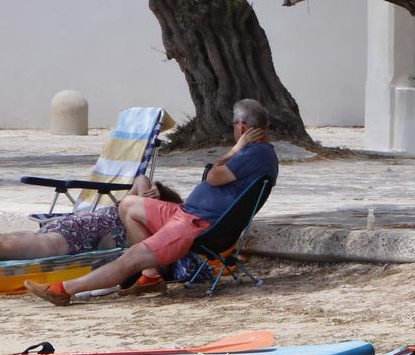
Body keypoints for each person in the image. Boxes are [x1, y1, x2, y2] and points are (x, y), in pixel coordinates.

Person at [24, 99, 279, 305]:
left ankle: (64, 290)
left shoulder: (253, 154)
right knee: (129, 205)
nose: (234, 130)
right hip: (186, 213)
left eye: (235, 125)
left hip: (195, 225)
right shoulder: (259, 154)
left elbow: (212, 176)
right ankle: (151, 276)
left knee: (133, 255)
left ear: (242, 128)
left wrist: (234, 149)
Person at [0, 175, 182, 274]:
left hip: (64, 244)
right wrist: (149, 190)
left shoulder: (139, 233)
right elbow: (142, 177)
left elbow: (140, 251)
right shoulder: (128, 207)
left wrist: (153, 207)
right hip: (56, 229)